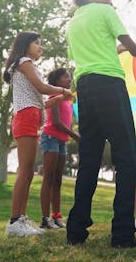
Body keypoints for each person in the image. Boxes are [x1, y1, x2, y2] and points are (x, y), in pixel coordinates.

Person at [65, 0, 136, 248]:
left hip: (85, 87)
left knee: (89, 161)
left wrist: (120, 50)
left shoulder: (73, 22)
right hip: (110, 86)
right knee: (127, 159)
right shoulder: (105, 12)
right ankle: (123, 234)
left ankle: (76, 232)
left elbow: (91, 56)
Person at [3, 31, 74, 236]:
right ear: (25, 45)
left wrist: (61, 97)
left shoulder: (27, 65)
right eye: (36, 43)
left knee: (28, 171)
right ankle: (15, 221)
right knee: (25, 170)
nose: (40, 47)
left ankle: (21, 218)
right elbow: (42, 88)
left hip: (31, 117)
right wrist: (62, 91)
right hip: (25, 117)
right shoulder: (24, 62)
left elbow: (42, 102)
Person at [39, 68, 81, 230]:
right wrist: (75, 136)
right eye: (65, 77)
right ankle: (45, 218)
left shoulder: (67, 100)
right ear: (56, 81)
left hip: (62, 141)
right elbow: (56, 122)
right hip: (50, 138)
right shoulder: (54, 97)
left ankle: (56, 216)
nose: (69, 80)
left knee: (58, 180)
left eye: (70, 77)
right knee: (48, 178)